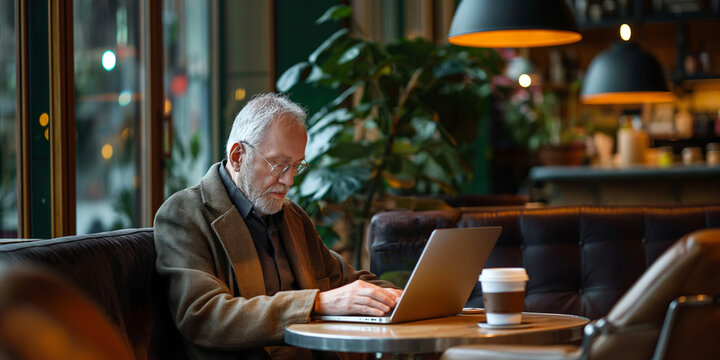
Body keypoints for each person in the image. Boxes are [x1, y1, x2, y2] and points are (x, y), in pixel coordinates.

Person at [154, 93, 402, 360]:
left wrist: (404, 297)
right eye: (280, 165)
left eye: (296, 166)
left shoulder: (291, 216)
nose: (289, 181)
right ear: (238, 156)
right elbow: (202, 315)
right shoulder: (185, 214)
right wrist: (318, 303)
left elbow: (343, 279)